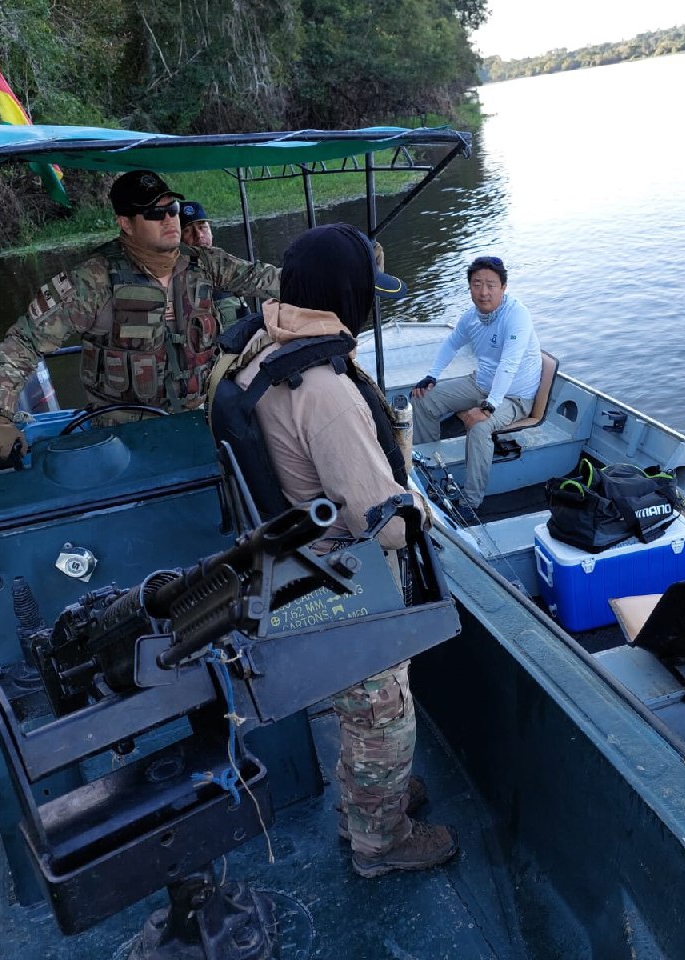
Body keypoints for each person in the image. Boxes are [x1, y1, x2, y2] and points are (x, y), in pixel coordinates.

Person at [211, 222, 458, 879]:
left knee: (356, 706)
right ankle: (378, 842)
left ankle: (367, 803)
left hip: (295, 560)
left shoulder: (263, 348)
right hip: (342, 573)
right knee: (383, 715)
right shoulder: (323, 390)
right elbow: (385, 522)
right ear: (344, 295)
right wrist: (422, 517)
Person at [0, 170, 279, 459]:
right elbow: (25, 340)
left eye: (172, 209)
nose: (169, 219)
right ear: (126, 223)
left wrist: (318, 281)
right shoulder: (93, 280)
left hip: (200, 415)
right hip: (124, 432)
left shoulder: (204, 263)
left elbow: (267, 279)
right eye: (154, 213)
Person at [410, 255, 542, 510]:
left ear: (503, 287)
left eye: (491, 285)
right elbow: (451, 344)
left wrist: (489, 406)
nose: (483, 292)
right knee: (423, 398)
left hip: (514, 396)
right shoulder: (471, 316)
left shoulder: (517, 316)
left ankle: (471, 502)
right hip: (481, 384)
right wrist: (432, 375)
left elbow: (509, 364)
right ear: (469, 287)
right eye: (477, 284)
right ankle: (431, 472)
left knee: (480, 428)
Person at [180, 198, 249, 329]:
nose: (199, 235)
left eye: (202, 227)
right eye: (187, 231)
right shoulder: (175, 280)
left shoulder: (228, 266)